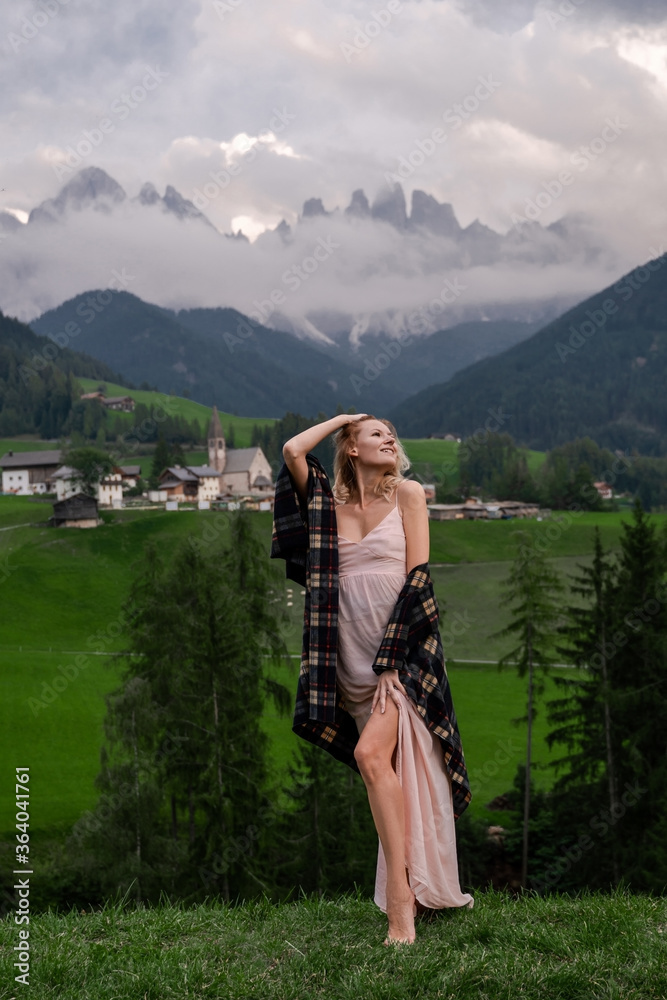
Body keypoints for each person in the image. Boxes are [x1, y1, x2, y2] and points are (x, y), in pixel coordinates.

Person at [272, 412, 472, 945]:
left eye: (391, 433)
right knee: (391, 774)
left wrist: (391, 659)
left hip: (402, 653)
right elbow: (293, 450)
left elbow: (418, 580)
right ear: (351, 448)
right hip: (348, 663)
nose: (389, 437)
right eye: (375, 432)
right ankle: (413, 887)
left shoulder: (409, 493)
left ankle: (400, 910)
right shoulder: (326, 507)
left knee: (369, 758)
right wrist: (344, 416)